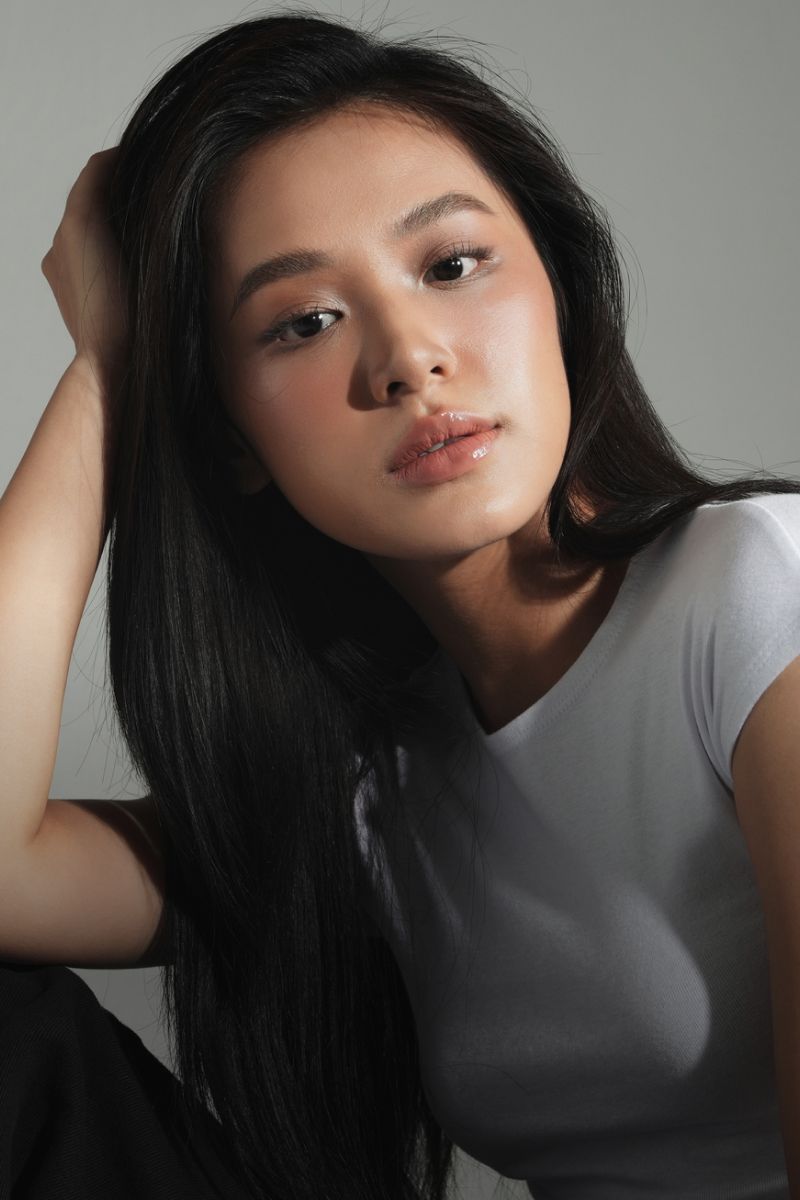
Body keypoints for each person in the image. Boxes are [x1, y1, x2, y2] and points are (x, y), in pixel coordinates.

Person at [1, 9, 798, 1200]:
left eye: (452, 264)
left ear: (564, 297)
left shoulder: (755, 592)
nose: (407, 357)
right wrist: (108, 374)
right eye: (303, 322)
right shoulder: (370, 782)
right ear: (231, 441)